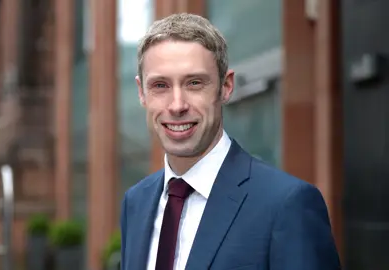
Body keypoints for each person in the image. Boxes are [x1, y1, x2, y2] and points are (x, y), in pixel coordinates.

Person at [119, 13, 340, 270]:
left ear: (226, 86)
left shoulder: (286, 204)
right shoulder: (136, 203)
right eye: (160, 85)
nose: (177, 105)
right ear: (141, 93)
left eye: (194, 83)